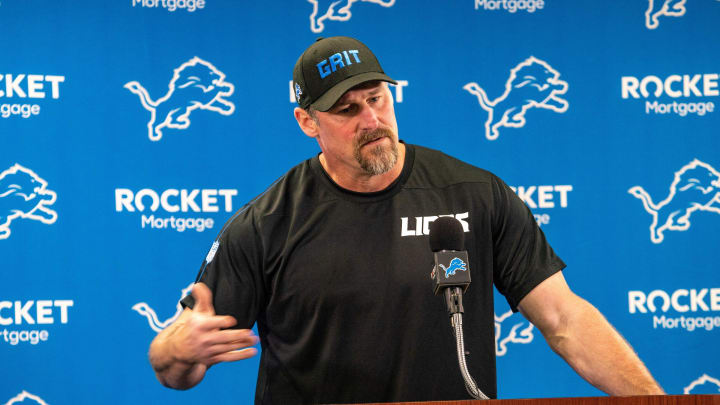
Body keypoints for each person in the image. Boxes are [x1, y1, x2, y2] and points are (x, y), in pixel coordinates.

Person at [148, 36, 664, 404]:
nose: (372, 120)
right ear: (307, 122)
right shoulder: (266, 224)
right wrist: (177, 348)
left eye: (377, 98)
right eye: (347, 110)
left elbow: (565, 320)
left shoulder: (474, 194)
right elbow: (175, 366)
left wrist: (655, 402)